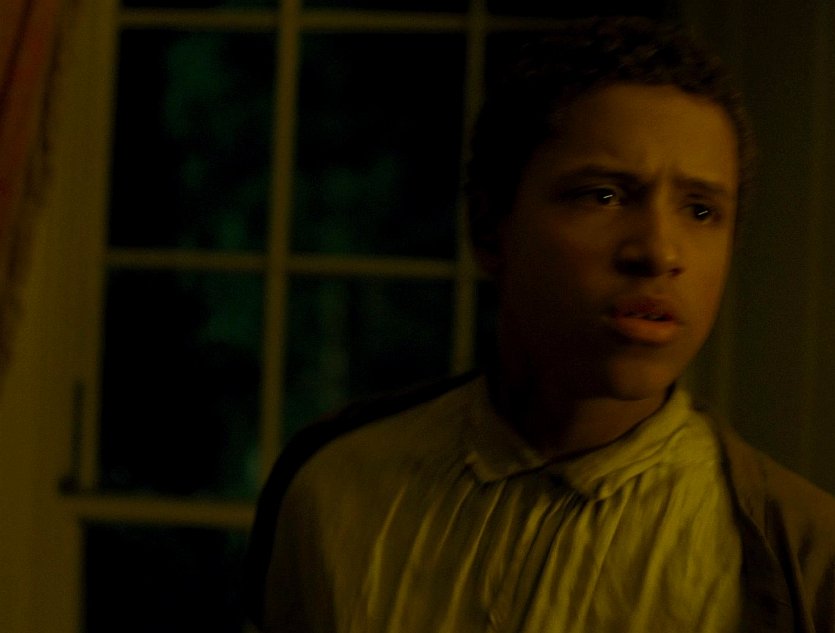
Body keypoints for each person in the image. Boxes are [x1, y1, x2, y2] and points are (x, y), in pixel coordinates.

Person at [244, 16, 835, 632]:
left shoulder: (797, 557)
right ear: (489, 227)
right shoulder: (334, 491)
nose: (659, 251)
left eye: (701, 210)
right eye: (603, 196)